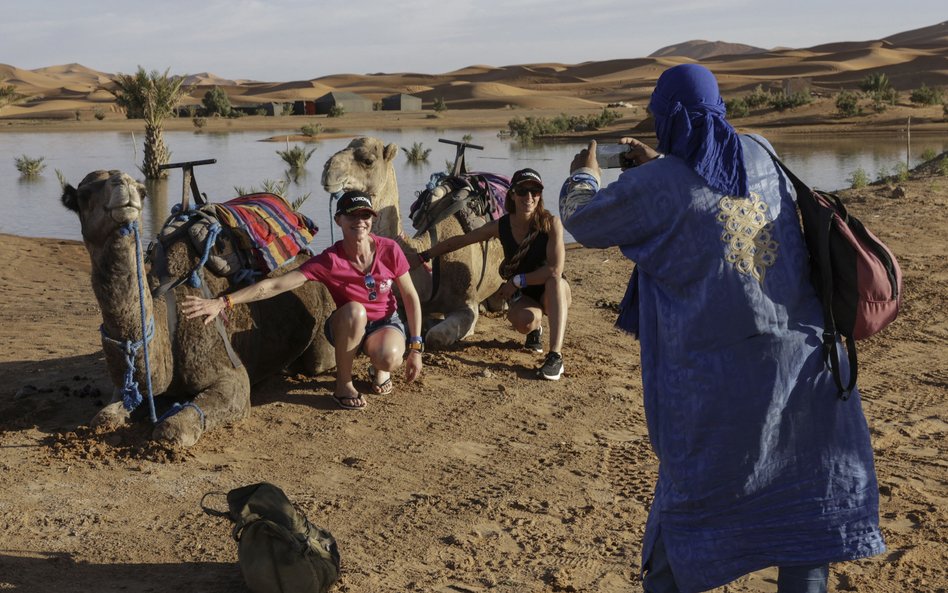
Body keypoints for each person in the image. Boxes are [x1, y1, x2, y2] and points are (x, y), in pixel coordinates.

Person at [559, 64, 884, 593]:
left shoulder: (656, 185)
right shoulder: (761, 148)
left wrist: (585, 174)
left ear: (669, 117)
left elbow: (584, 219)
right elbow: (712, 175)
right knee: (804, 517)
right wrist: (659, 163)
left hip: (717, 386)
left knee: (690, 508)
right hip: (808, 369)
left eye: (656, 115)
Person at [181, 190, 423, 411]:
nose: (359, 221)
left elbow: (411, 296)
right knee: (355, 311)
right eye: (352, 215)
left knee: (390, 358)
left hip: (384, 323)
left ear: (373, 219)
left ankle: (378, 368)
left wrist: (415, 347)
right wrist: (224, 302)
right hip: (347, 323)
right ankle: (343, 385)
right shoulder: (329, 260)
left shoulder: (389, 249)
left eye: (365, 215)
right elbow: (275, 285)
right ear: (339, 220)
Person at [413, 168, 571, 380]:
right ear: (513, 193)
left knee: (556, 282)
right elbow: (461, 241)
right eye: (523, 191)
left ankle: (555, 357)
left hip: (551, 289)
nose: (529, 197)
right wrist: (424, 255)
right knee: (524, 321)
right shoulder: (501, 226)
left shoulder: (551, 224)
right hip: (526, 294)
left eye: (535, 191)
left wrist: (516, 281)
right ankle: (536, 328)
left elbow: (555, 270)